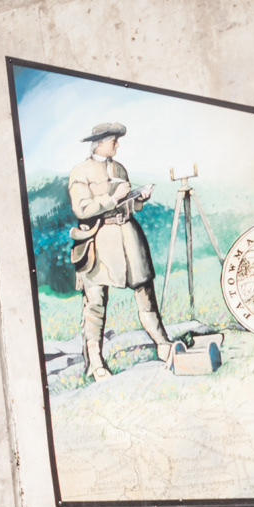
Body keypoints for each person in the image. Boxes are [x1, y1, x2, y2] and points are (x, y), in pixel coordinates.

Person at [68, 122, 173, 379]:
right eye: (114, 140)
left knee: (145, 290)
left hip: (128, 235)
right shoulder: (80, 172)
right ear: (100, 142)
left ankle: (163, 344)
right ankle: (95, 363)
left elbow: (128, 206)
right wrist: (114, 198)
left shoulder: (119, 168)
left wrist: (138, 199)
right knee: (95, 302)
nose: (117, 145)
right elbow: (81, 209)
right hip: (99, 239)